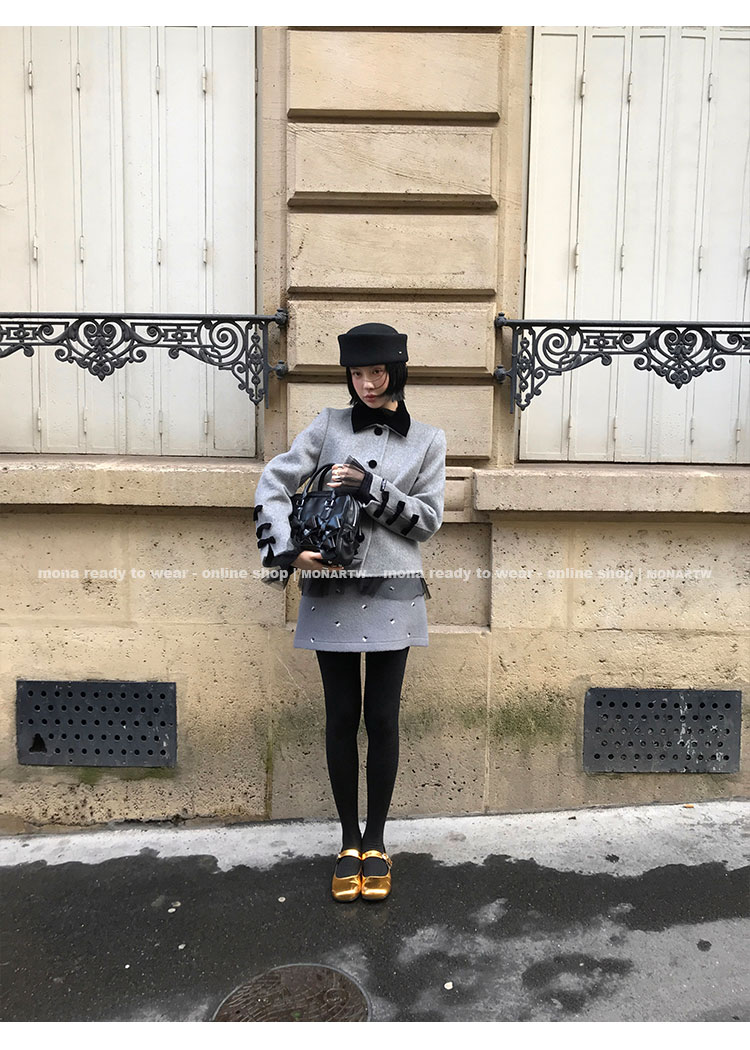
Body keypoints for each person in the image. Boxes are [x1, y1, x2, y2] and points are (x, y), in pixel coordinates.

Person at [252, 322, 447, 902]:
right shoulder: (329, 424)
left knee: (382, 719)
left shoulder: (429, 440)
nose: (367, 383)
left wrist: (370, 488)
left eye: (377, 372)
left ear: (397, 371)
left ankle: (377, 842)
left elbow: (428, 521)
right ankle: (346, 843)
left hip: (394, 592)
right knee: (341, 716)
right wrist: (287, 550)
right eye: (357, 373)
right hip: (330, 590)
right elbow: (275, 479)